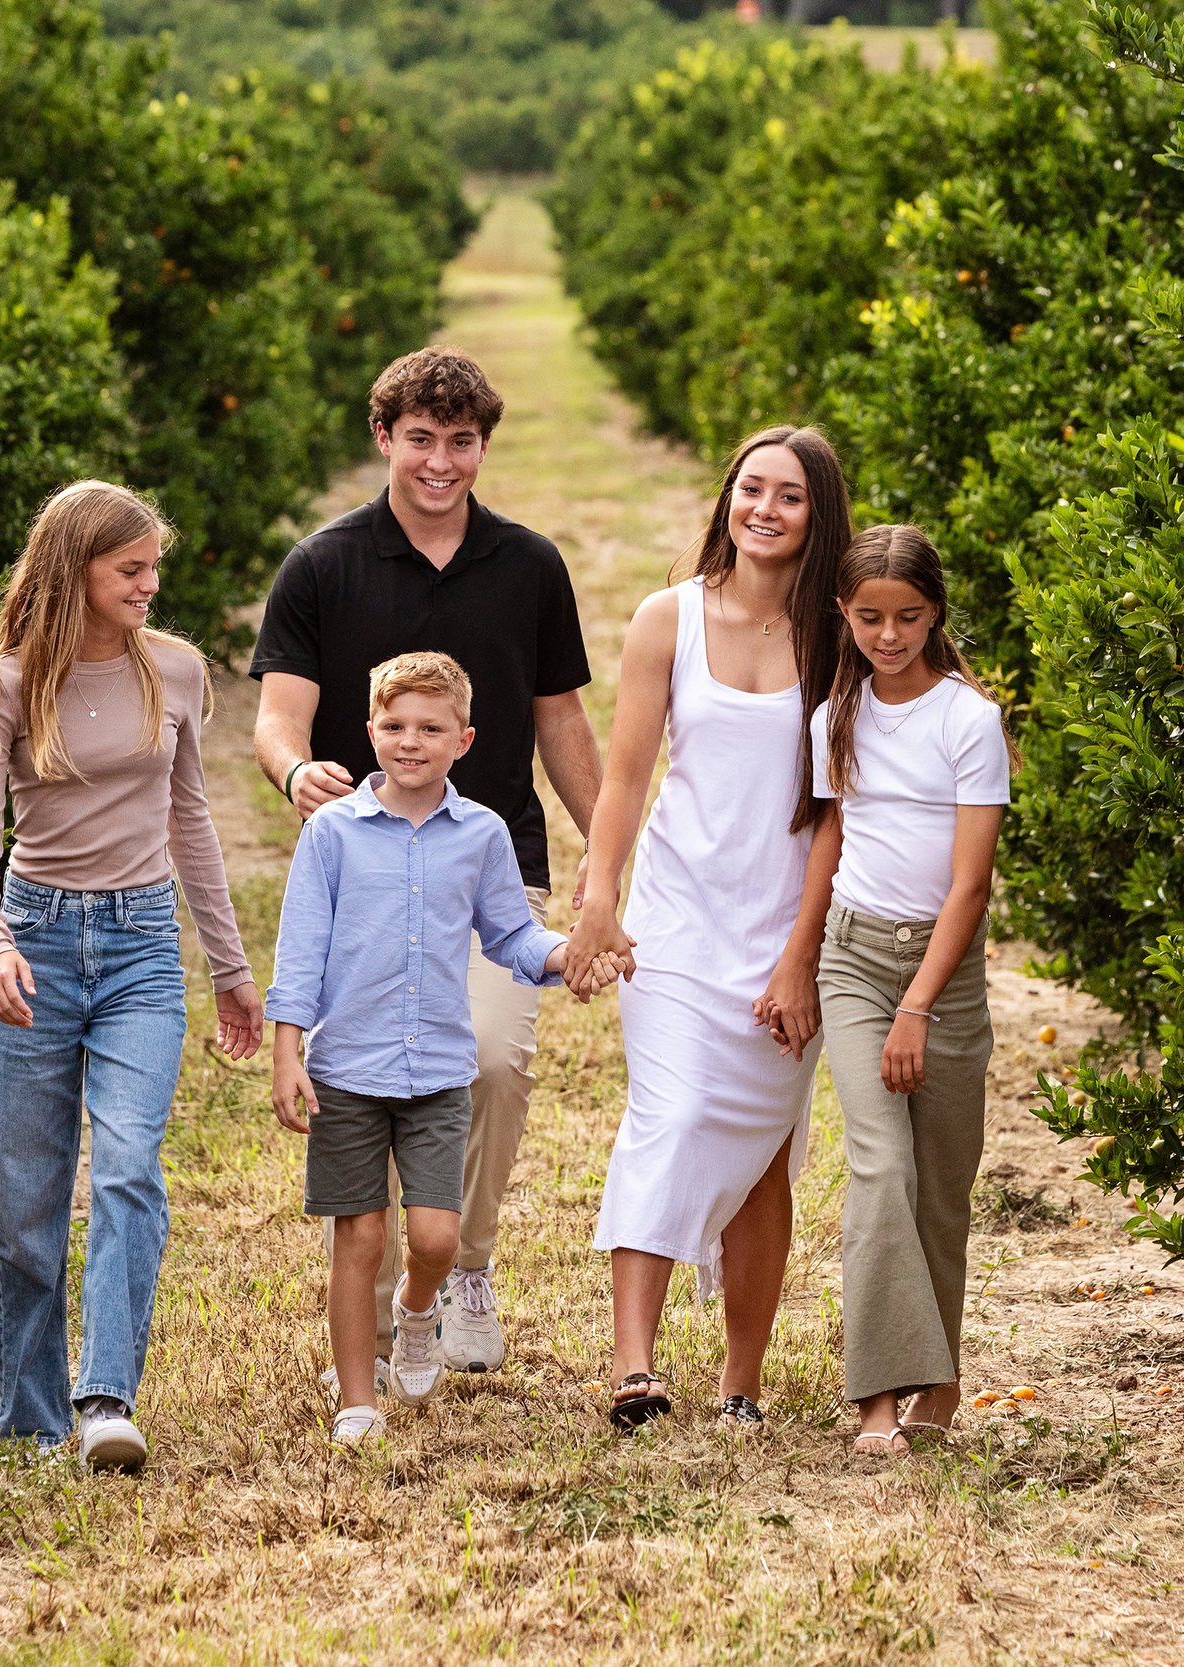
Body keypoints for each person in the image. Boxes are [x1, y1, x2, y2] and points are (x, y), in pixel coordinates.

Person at [250, 347, 602, 1376]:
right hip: (366, 872)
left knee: (490, 1059)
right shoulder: (322, 564)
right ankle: (371, 1308)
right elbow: (278, 717)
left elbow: (562, 719)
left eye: (460, 441)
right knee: (362, 1076)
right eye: (420, 438)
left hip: (490, 862)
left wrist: (611, 854)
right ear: (383, 439)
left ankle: (463, 1267)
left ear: (483, 445)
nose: (440, 461)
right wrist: (296, 771)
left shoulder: (530, 565)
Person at [0, 481, 265, 1471]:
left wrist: (229, 964)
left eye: (151, 567)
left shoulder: (173, 669)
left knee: (129, 1169)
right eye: (130, 569)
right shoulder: (5, 682)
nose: (150, 583)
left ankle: (103, 1400)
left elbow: (191, 818)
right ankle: (33, 1416)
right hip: (36, 945)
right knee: (26, 1205)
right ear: (75, 570)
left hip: (138, 946)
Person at [566, 425, 853, 1432]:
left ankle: (742, 1382)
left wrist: (799, 957)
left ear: (818, 514)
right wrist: (600, 891)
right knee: (669, 1117)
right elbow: (629, 773)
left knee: (767, 1153)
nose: (763, 510)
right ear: (726, 498)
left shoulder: (836, 635)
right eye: (750, 489)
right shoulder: (666, 618)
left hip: (781, 928)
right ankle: (632, 1364)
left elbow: (834, 813)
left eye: (788, 496)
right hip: (677, 918)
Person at [267, 653, 611, 1445]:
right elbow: (299, 954)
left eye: (430, 728)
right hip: (348, 1069)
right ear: (368, 733)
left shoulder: (483, 835)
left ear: (465, 739)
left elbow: (512, 935)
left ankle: (418, 1309)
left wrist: (567, 955)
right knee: (359, 1236)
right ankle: (358, 1399)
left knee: (434, 1239)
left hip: (435, 1076)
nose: (410, 742)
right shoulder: (331, 834)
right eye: (393, 726)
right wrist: (288, 1054)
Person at [782, 524, 1010, 1455]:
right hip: (854, 958)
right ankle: (877, 1393)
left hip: (944, 977)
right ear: (843, 613)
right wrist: (799, 955)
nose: (888, 635)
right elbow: (833, 839)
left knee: (939, 1188)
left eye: (908, 617)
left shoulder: (969, 719)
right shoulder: (833, 717)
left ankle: (940, 1384)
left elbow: (972, 882)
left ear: (936, 614)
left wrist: (920, 1002)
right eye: (870, 617)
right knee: (879, 1162)